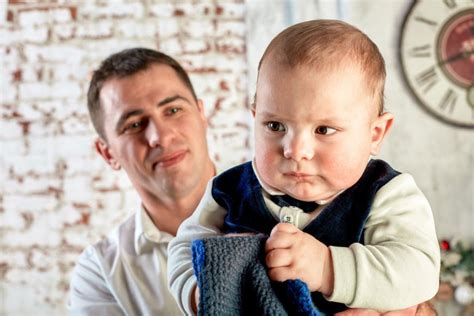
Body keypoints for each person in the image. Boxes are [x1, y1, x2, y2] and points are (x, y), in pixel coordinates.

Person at [168, 20, 440, 315]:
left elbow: (419, 271)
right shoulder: (229, 190)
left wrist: (327, 268)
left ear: (374, 134)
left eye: (324, 130)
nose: (295, 150)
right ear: (255, 118)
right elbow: (183, 249)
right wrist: (199, 291)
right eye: (275, 126)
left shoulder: (385, 194)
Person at [67, 48, 215, 315]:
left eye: (173, 109)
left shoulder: (288, 211)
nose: (161, 136)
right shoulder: (100, 275)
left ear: (202, 115)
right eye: (134, 124)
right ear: (107, 153)